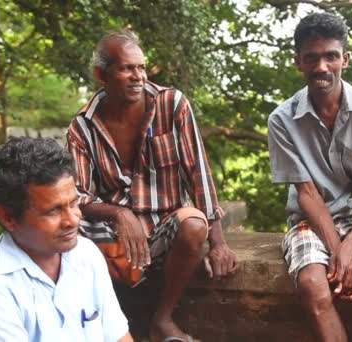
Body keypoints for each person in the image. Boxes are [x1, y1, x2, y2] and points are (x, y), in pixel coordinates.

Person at [66, 29, 238, 342]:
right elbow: (78, 195)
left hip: (164, 225)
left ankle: (162, 319)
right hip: (115, 233)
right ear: (100, 74)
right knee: (69, 235)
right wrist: (119, 214)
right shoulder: (83, 126)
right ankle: (106, 324)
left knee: (194, 224)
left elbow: (198, 172)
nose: (137, 76)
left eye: (141, 67)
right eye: (126, 68)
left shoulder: (172, 104)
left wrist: (219, 243)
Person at [267, 12, 352, 342]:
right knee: (313, 286)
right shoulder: (282, 120)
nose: (321, 67)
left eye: (331, 56)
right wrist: (337, 252)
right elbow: (307, 192)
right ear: (298, 62)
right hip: (313, 219)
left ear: (345, 58)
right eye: (311, 58)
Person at [0, 137, 132, 342]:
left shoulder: (86, 255)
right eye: (53, 211)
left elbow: (118, 336)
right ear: (8, 218)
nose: (73, 220)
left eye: (73, 203)